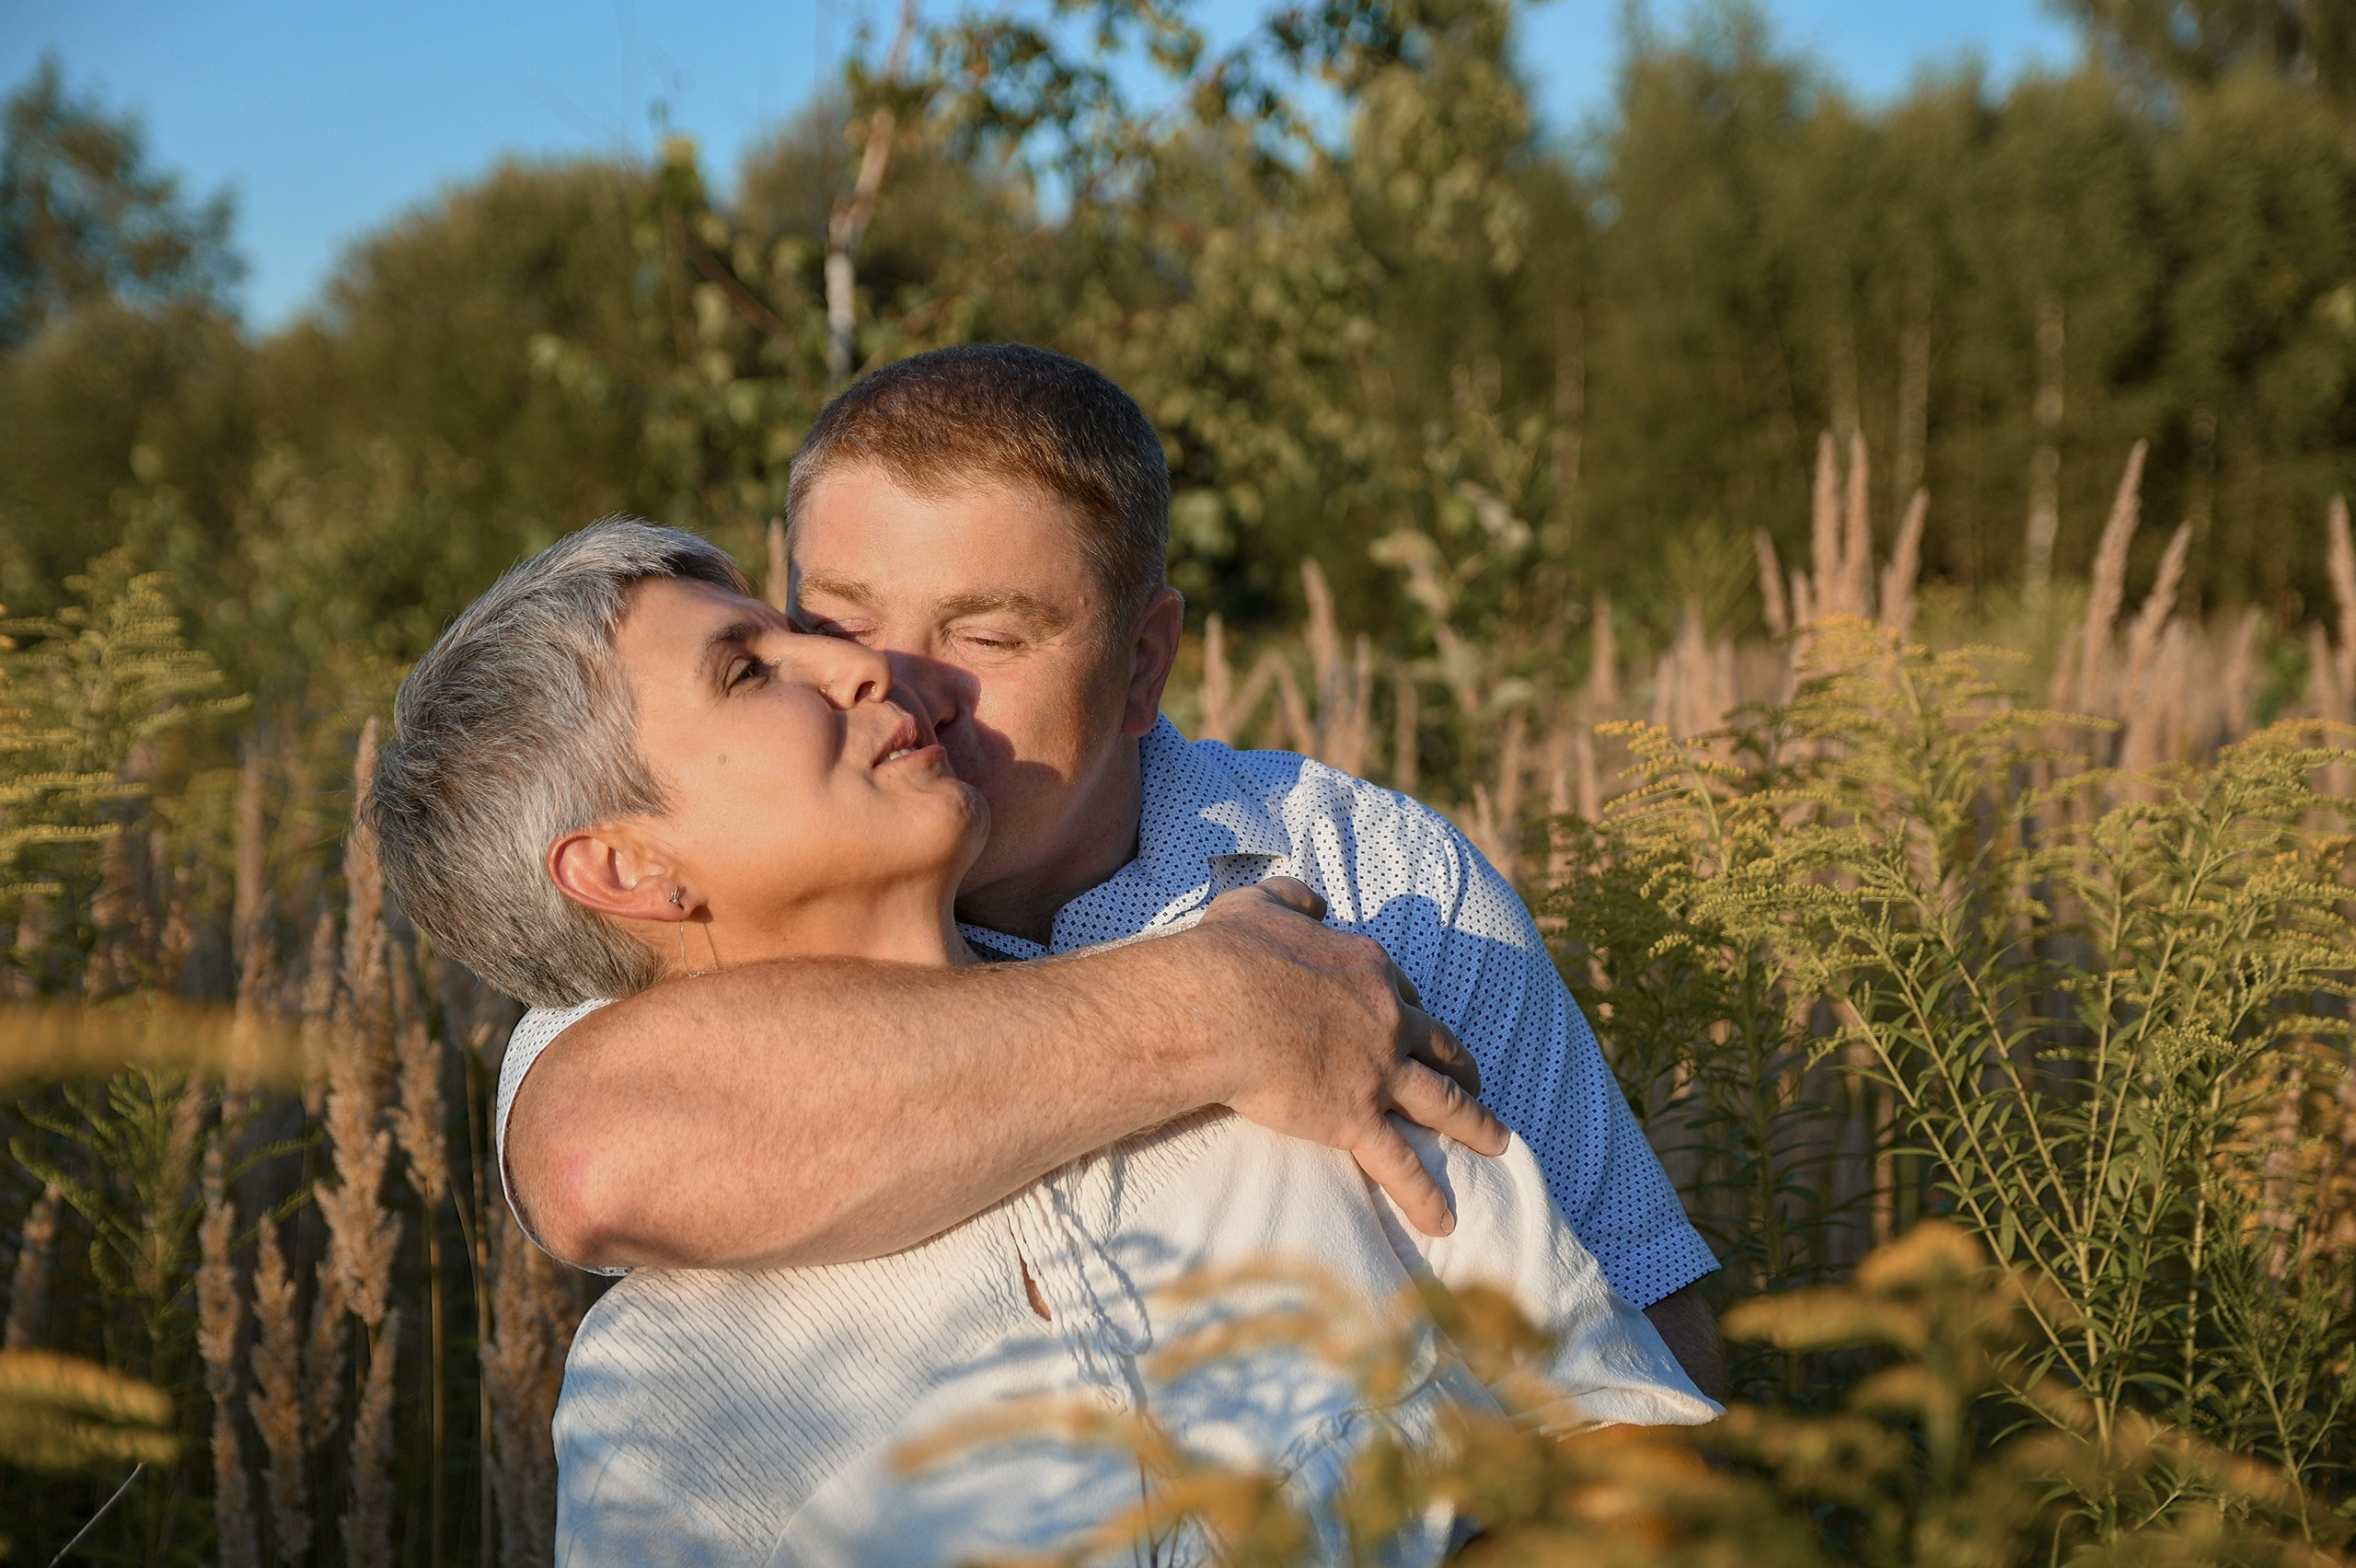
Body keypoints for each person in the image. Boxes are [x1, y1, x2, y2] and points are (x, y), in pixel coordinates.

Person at [367, 521, 1722, 1566]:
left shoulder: (1317, 1049)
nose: (864, 666)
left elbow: (1645, 1464)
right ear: (625, 868)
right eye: (750, 670)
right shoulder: (672, 1394)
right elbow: (594, 1151)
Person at [491, 344, 1726, 1396]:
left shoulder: (1376, 872)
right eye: (839, 623)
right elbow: (595, 1159)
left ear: (1143, 661)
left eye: (988, 635)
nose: (892, 682)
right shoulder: (707, 922)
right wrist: (1217, 1009)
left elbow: (1648, 1338)